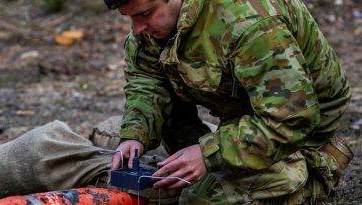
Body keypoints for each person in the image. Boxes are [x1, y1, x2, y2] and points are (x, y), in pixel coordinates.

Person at [104, 0, 355, 204]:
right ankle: (215, 164)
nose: (137, 28)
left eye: (145, 14)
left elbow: (293, 119)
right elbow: (148, 77)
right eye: (131, 18)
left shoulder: (250, 23)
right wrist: (136, 133)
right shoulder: (157, 23)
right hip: (245, 108)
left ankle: (314, 170)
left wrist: (208, 153)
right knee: (165, 181)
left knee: (201, 200)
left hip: (301, 124)